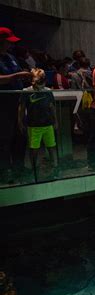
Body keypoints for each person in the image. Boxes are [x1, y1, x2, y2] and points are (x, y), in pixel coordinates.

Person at [0, 27, 32, 181]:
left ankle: (19, 167)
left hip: (18, 104)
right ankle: (4, 170)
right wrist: (17, 76)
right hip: (3, 106)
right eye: (8, 41)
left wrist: (25, 77)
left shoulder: (11, 57)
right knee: (5, 138)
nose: (10, 45)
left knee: (21, 136)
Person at [18, 68, 58, 176]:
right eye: (38, 82)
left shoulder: (48, 91)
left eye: (42, 82)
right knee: (34, 149)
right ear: (33, 81)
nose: (40, 85)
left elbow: (52, 107)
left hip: (48, 124)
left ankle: (55, 167)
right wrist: (20, 122)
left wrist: (55, 121)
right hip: (33, 126)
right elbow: (21, 108)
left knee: (51, 146)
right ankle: (34, 169)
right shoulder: (26, 91)